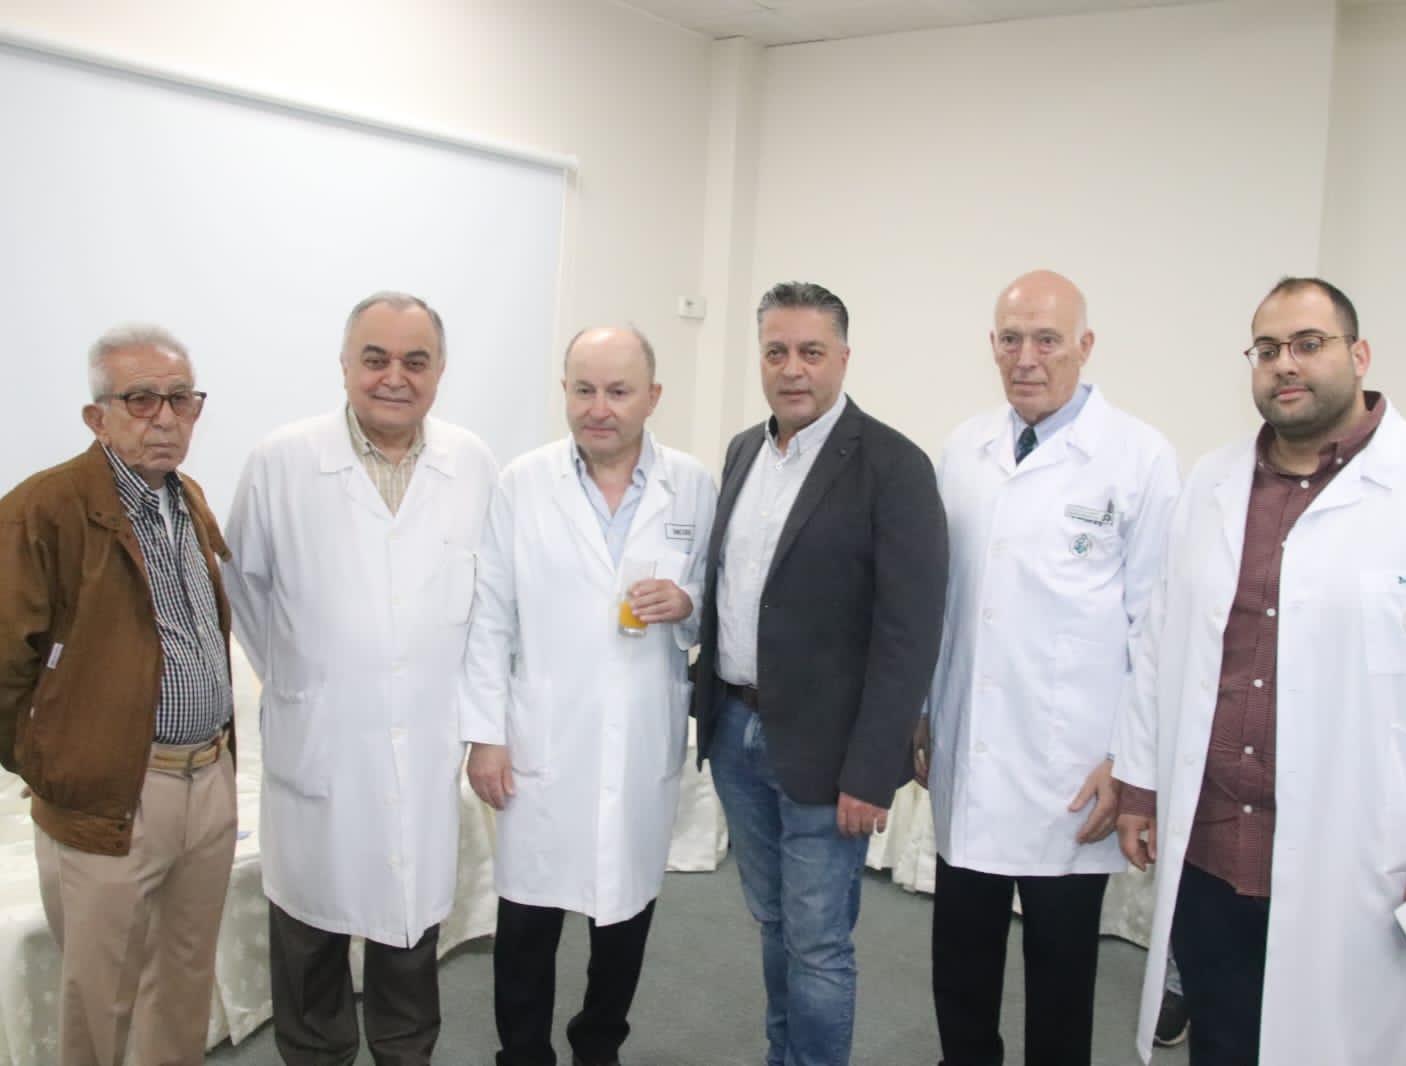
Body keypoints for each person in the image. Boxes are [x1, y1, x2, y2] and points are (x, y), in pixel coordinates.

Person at [1112, 277, 1406, 1066]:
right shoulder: (1212, 483)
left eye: (1309, 344)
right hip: (1214, 853)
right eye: (1267, 349)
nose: (1285, 364)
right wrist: (1140, 782)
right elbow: (1160, 644)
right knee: (1224, 1043)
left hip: (1362, 860)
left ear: (1359, 354)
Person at [223, 291, 499, 1066]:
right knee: (308, 935)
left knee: (409, 936)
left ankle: (405, 1052)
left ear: (439, 371)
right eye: (375, 359)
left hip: (424, 745)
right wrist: (308, 678)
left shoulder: (471, 463)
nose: (394, 377)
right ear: (345, 365)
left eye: (416, 361)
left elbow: (488, 602)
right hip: (319, 739)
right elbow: (243, 586)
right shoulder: (282, 460)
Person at [916, 270, 1178, 1066]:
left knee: (1061, 985)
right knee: (960, 973)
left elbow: (1158, 629)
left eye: (1047, 339)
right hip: (970, 753)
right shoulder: (963, 449)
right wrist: (923, 713)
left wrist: (1130, 761)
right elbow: (940, 599)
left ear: (1084, 345)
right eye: (1010, 339)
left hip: (1074, 771)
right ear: (992, 345)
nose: (1025, 357)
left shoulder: (1139, 458)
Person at [0, 326, 235, 1066]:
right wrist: (56, 763)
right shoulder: (39, 512)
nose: (165, 417)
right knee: (100, 997)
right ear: (97, 417)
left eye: (180, 399)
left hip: (209, 780)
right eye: (140, 399)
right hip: (114, 793)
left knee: (183, 984)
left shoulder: (187, 498)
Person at [692, 281, 950, 1066]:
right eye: (776, 351)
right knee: (773, 923)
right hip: (737, 732)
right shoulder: (744, 451)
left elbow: (909, 634)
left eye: (811, 351)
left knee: (819, 944)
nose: (792, 368)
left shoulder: (894, 466)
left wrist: (872, 772)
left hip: (829, 756)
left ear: (843, 357)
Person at [464, 325, 715, 1066]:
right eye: (583, 389)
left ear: (653, 396)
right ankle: (523, 1053)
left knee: (625, 912)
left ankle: (598, 1045)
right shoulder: (522, 482)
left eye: (617, 391)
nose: (598, 408)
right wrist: (485, 734)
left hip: (639, 732)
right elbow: (489, 614)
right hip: (543, 733)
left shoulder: (692, 485)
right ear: (565, 392)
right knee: (527, 918)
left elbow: (718, 600)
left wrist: (688, 604)